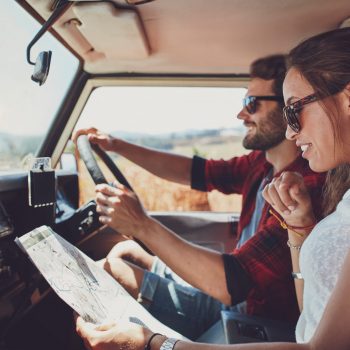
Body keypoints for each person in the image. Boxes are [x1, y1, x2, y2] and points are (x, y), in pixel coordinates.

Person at [76, 27, 350, 349]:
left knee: (112, 270)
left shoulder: (314, 181)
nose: (240, 113)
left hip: (250, 311)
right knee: (124, 253)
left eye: (252, 103)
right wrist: (118, 146)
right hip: (246, 305)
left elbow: (233, 285)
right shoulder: (261, 167)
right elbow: (194, 171)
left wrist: (154, 344)